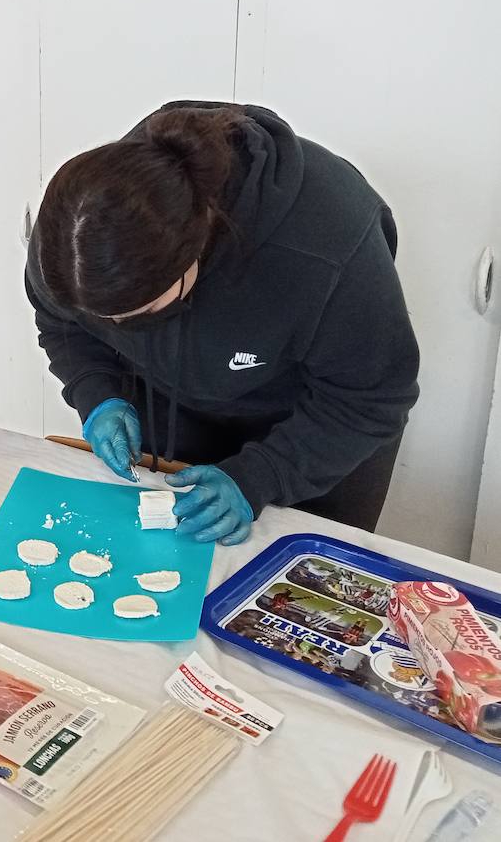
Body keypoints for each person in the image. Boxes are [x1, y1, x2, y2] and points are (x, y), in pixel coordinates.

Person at [26, 102, 419, 544]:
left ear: (191, 257)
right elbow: (62, 323)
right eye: (103, 319)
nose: (113, 327)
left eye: (137, 315)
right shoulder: (73, 240)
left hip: (315, 435)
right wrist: (96, 391)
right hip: (176, 414)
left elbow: (372, 398)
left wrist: (262, 474)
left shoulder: (325, 245)